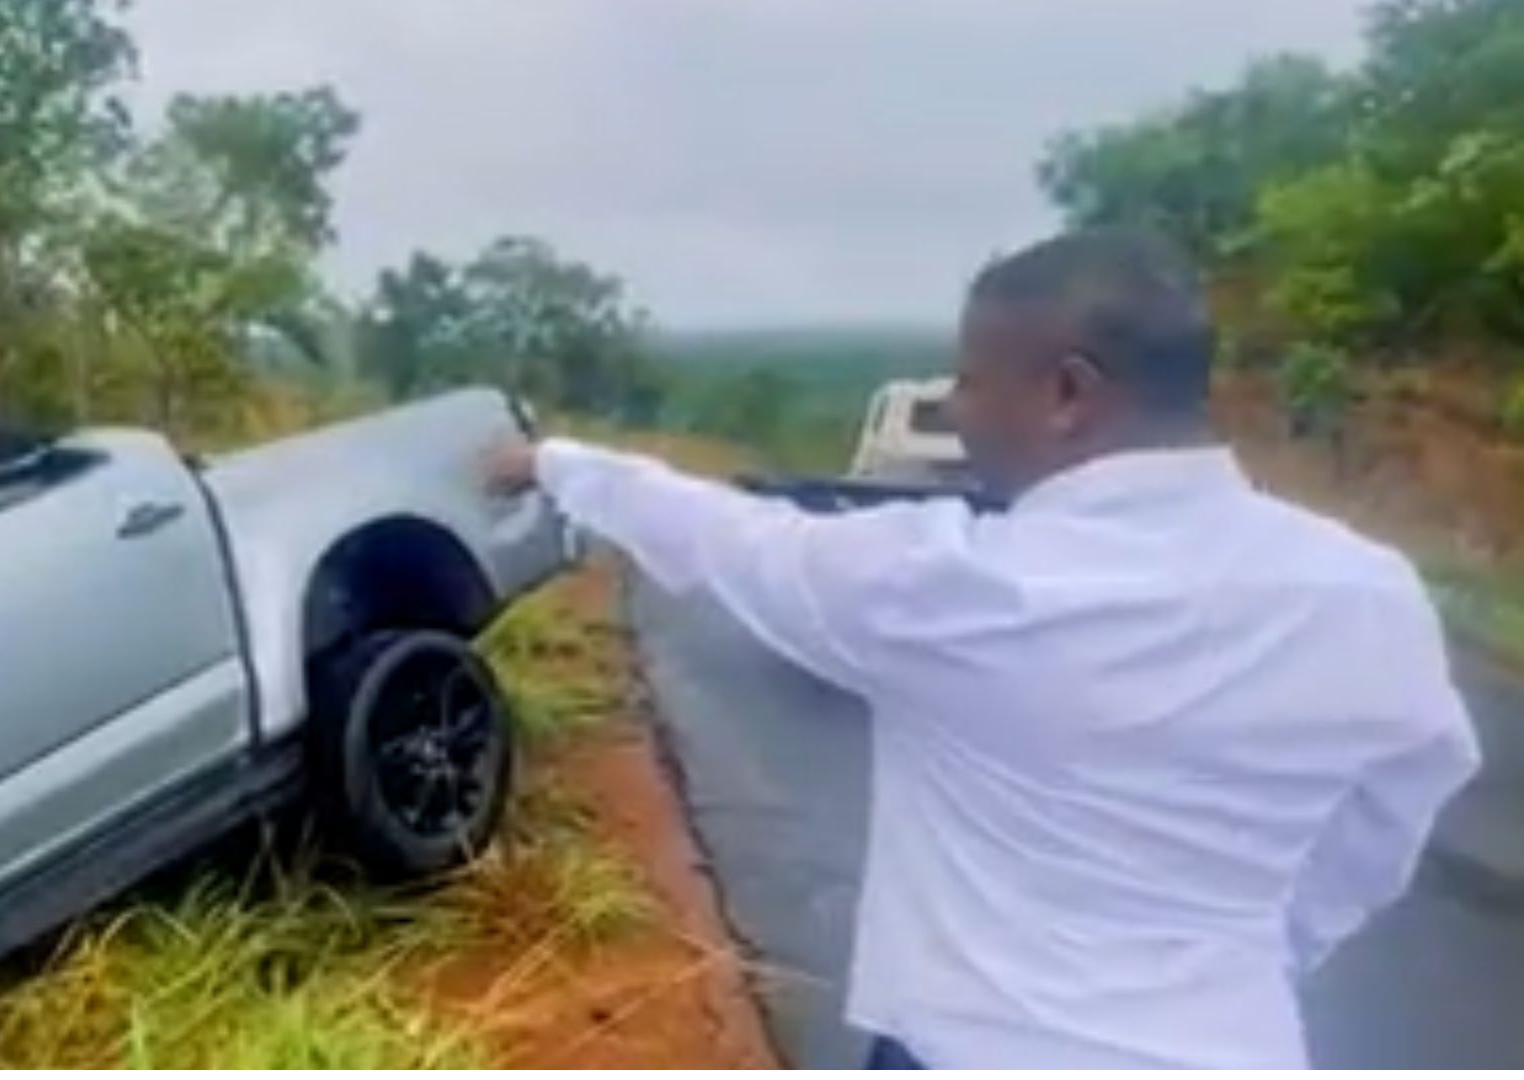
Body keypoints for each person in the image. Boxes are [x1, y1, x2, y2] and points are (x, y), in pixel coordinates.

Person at [485, 227, 1481, 1069]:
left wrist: (556, 463)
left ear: (1067, 393)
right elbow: (1390, 813)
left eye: (968, 380)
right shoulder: (1369, 591)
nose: (955, 410)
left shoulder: (956, 588)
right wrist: (1249, 947)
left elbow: (737, 542)